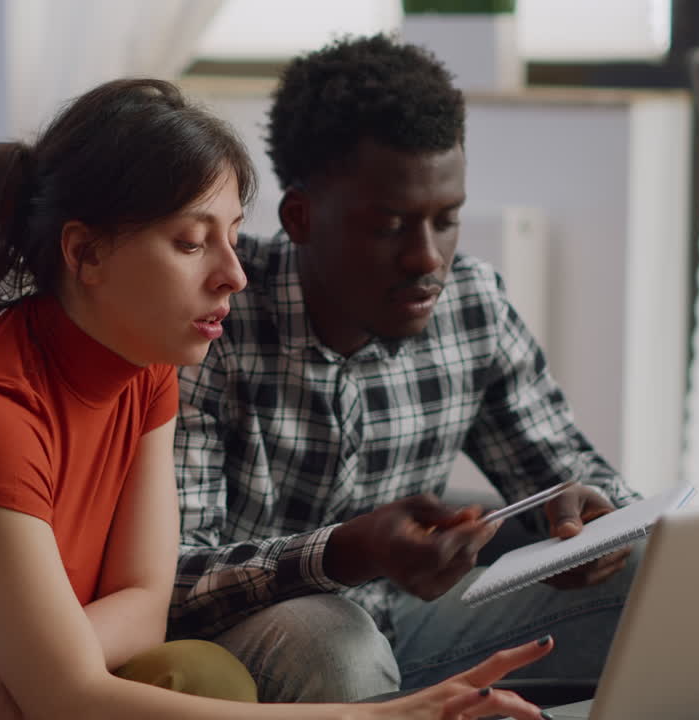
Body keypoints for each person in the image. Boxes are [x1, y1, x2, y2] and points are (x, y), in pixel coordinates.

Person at [0, 78, 557, 720]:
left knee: (191, 673)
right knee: (117, 695)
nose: (233, 273)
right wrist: (379, 715)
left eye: (229, 235)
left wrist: (27, 666)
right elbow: (66, 697)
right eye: (191, 242)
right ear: (85, 254)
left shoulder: (146, 371)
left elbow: (145, 597)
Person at [171, 35, 645, 704]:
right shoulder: (212, 322)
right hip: (273, 641)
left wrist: (587, 520)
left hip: (415, 630)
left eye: (446, 221)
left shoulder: (472, 306)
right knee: (336, 641)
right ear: (300, 218)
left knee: (653, 567)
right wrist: (344, 553)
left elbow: (579, 476)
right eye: (390, 226)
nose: (428, 259)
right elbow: (174, 578)